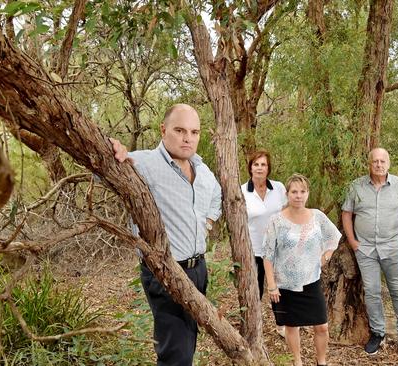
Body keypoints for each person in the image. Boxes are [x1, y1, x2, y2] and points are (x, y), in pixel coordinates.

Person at [111, 104, 222, 366]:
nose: (187, 138)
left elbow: (216, 197)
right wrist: (112, 149)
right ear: (163, 130)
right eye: (180, 130)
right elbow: (101, 170)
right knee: (175, 354)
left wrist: (206, 222)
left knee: (188, 342)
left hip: (198, 269)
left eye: (194, 132)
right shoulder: (144, 163)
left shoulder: (202, 170)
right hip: (165, 272)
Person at [341, 147, 398, 357]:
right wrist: (353, 243)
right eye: (375, 161)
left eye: (382, 161)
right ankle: (377, 333)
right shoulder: (356, 186)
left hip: (393, 248)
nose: (379, 164)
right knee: (372, 292)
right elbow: (346, 214)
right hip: (365, 249)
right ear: (369, 163)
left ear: (389, 163)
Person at [263, 174, 341, 366]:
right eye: (294, 192)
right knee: (292, 326)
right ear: (287, 194)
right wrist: (272, 285)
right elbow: (267, 254)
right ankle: (297, 361)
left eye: (302, 191)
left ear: (307, 193)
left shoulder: (317, 216)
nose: (298, 195)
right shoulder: (277, 221)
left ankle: (321, 361)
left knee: (322, 326)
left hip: (311, 281)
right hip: (285, 286)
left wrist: (326, 256)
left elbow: (334, 237)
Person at [241, 149, 287, 337]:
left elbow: (286, 212)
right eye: (256, 164)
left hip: (277, 248)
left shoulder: (278, 188)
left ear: (268, 169)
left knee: (279, 287)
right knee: (255, 289)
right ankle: (253, 325)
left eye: (263, 165)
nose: (260, 168)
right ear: (250, 168)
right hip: (253, 249)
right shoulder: (242, 191)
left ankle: (282, 324)